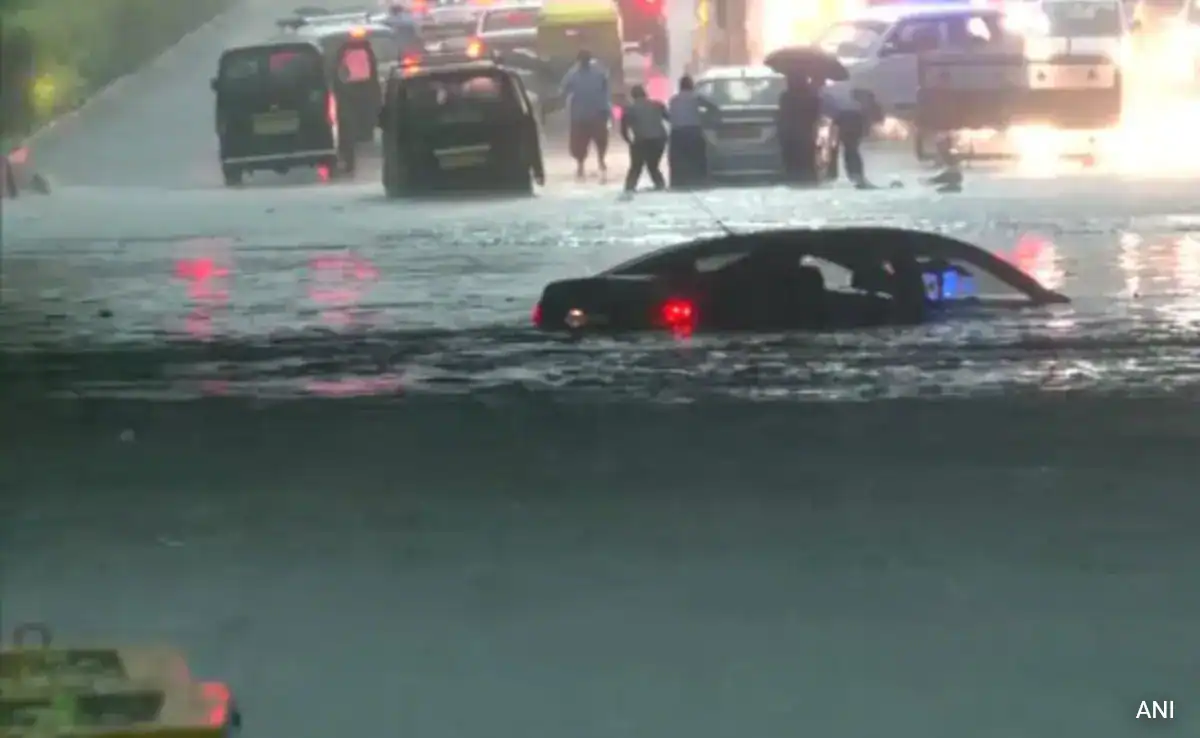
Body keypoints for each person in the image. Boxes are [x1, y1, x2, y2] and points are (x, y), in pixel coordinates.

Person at [559, 50, 612, 180]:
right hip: (592, 113)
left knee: (584, 142)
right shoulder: (598, 72)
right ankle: (591, 163)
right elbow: (606, 90)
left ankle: (588, 164)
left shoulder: (573, 74)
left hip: (584, 114)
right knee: (596, 141)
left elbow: (563, 90)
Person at [818, 83, 877, 187]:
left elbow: (828, 111)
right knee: (849, 148)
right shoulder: (838, 88)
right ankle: (855, 176)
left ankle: (836, 176)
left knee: (844, 148)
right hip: (852, 114)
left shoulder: (825, 91)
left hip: (846, 115)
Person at [620, 85, 668, 193]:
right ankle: (661, 186)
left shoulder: (629, 109)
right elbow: (669, 118)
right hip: (659, 140)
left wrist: (630, 142)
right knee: (653, 166)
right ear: (645, 94)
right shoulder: (658, 105)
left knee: (636, 167)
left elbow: (623, 130)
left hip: (641, 141)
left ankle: (629, 188)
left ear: (632, 96)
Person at [776, 74, 820, 182]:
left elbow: (783, 113)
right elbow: (816, 112)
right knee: (807, 155)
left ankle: (792, 176)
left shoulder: (786, 96)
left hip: (789, 131)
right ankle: (808, 176)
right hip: (806, 131)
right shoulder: (811, 96)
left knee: (790, 155)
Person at [666, 75, 708, 188]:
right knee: (698, 159)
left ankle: (676, 182)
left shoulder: (673, 100)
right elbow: (712, 108)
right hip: (693, 132)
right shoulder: (697, 98)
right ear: (692, 86)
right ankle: (699, 180)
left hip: (677, 133)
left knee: (676, 160)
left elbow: (670, 116)